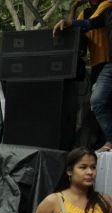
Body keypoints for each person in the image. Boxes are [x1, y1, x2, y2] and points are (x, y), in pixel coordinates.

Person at [55, 4, 112, 151]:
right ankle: (107, 141)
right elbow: (78, 29)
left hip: (108, 62)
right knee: (100, 103)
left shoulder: (108, 5)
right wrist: (74, 9)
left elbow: (92, 23)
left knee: (98, 101)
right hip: (99, 63)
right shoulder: (90, 12)